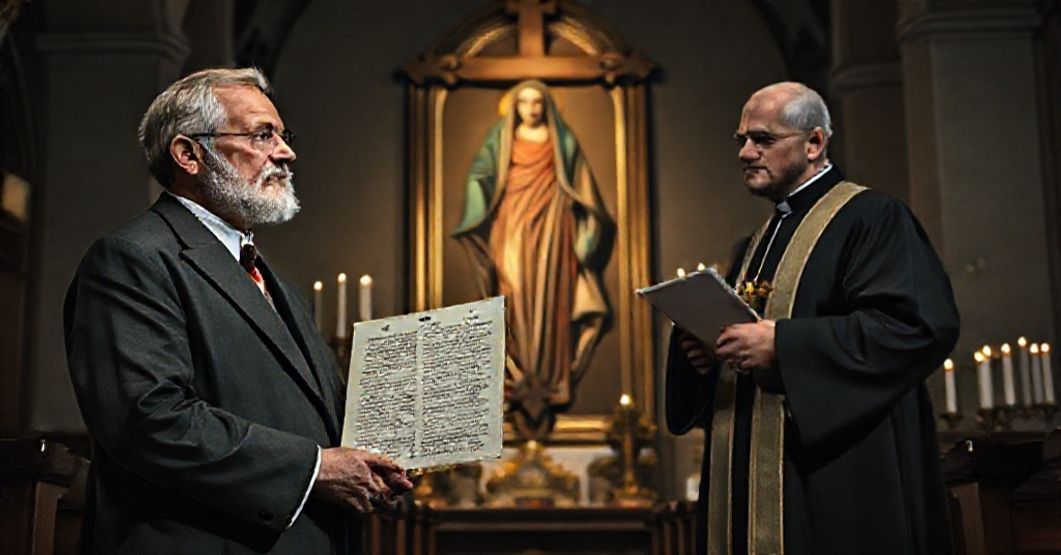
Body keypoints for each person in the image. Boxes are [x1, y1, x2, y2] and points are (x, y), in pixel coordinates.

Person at [64, 68, 413, 554]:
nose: (286, 152)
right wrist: (315, 470)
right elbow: (150, 419)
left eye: (282, 135)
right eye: (261, 135)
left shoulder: (280, 288)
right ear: (188, 154)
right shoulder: (133, 258)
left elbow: (319, 428)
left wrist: (375, 463)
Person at [665, 82, 959, 554]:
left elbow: (917, 327)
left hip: (835, 475)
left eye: (762, 139)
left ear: (815, 143)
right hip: (749, 468)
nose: (745, 152)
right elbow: (744, 345)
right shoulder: (755, 242)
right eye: (741, 139)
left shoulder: (872, 217)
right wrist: (707, 354)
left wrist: (783, 345)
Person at [452, 80, 614, 439]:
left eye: (537, 101)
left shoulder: (562, 138)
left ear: (546, 105)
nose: (531, 108)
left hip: (554, 228)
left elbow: (581, 185)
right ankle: (517, 371)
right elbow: (481, 177)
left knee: (551, 296)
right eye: (524, 101)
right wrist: (479, 205)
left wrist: (583, 229)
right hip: (510, 224)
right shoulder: (502, 135)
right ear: (515, 106)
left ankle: (550, 376)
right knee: (514, 291)